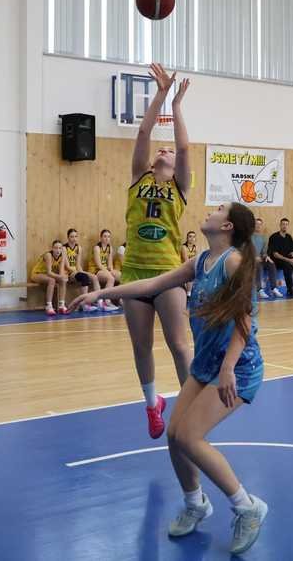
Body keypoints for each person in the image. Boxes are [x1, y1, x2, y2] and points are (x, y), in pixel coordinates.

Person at [72, 203, 268, 555]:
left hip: (237, 367)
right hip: (206, 363)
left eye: (219, 209)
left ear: (227, 226)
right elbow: (152, 284)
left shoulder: (233, 262)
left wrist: (227, 368)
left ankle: (247, 506)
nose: (211, 211)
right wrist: (102, 293)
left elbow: (244, 320)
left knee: (190, 437)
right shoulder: (200, 261)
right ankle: (195, 503)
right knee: (175, 436)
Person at [122, 62, 193, 438]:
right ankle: (153, 405)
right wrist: (160, 95)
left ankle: (191, 411)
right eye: (159, 150)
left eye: (169, 150)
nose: (165, 149)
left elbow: (183, 145)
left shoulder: (180, 185)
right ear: (150, 163)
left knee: (179, 344)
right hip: (134, 272)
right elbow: (144, 131)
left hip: (167, 273)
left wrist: (176, 105)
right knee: (141, 346)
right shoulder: (138, 178)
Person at [64, 228, 107, 313]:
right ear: (68, 237)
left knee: (94, 277)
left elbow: (78, 264)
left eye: (75, 236)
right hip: (68, 273)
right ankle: (85, 304)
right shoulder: (64, 248)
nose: (74, 238)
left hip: (76, 271)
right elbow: (67, 266)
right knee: (84, 277)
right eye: (72, 236)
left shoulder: (78, 248)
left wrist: (81, 271)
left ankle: (100, 302)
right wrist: (78, 272)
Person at [268, 218, 293, 295]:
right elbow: (275, 254)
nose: (285, 226)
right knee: (287, 265)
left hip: (288, 259)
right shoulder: (274, 237)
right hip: (277, 260)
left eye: (286, 224)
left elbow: (292, 252)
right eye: (283, 224)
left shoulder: (289, 237)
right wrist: (288, 260)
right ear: (280, 225)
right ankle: (290, 289)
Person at [31, 239, 70, 316]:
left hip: (47, 275)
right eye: (56, 248)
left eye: (60, 248)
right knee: (52, 280)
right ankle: (49, 306)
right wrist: (60, 277)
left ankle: (61, 305)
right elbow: (49, 272)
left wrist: (63, 277)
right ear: (52, 248)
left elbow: (61, 272)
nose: (58, 250)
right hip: (37, 274)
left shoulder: (62, 256)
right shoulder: (48, 255)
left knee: (63, 281)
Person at [251, 218, 282, 300]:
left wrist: (266, 256)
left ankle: (274, 288)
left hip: (260, 259)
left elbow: (263, 252)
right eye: (256, 224)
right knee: (258, 265)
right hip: (250, 260)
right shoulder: (248, 237)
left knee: (271, 263)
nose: (258, 226)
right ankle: (259, 290)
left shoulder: (263, 238)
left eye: (260, 224)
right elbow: (244, 251)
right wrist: (254, 257)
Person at [88, 229, 121, 302]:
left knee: (121, 276)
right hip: (96, 271)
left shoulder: (110, 248)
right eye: (105, 236)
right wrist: (109, 273)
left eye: (108, 237)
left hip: (105, 270)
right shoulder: (97, 248)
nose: (107, 238)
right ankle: (106, 300)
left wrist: (112, 271)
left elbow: (110, 264)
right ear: (101, 238)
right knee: (111, 278)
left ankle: (120, 299)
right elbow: (99, 265)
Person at [181, 231, 199, 298]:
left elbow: (197, 259)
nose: (192, 238)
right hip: (183, 266)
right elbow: (186, 260)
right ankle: (188, 294)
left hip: (191, 266)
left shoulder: (195, 247)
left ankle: (192, 292)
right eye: (190, 236)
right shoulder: (184, 247)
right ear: (187, 238)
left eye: (193, 237)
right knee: (190, 274)